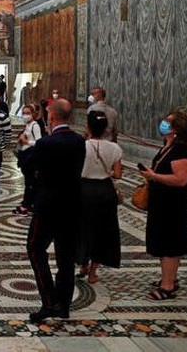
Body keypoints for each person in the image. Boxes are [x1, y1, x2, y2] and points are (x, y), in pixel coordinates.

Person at [26, 99, 85, 323]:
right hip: (72, 205)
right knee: (65, 257)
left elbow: (29, 166)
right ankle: (64, 305)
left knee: (34, 248)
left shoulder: (46, 144)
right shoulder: (79, 141)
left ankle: (49, 301)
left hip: (48, 206)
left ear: (51, 117)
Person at [139, 110, 187, 301]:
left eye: (168, 122)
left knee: (170, 245)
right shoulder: (168, 146)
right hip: (162, 203)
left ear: (176, 129)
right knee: (163, 243)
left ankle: (168, 285)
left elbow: (181, 179)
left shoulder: (179, 151)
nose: (163, 123)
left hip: (172, 206)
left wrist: (154, 176)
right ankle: (168, 277)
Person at [76, 111, 122, 285]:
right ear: (105, 129)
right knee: (102, 231)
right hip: (104, 191)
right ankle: (93, 272)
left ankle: (83, 264)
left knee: (83, 228)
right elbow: (118, 174)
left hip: (84, 190)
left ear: (88, 127)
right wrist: (106, 171)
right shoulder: (115, 148)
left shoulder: (82, 146)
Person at [13, 104, 42, 216]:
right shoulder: (27, 125)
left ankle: (26, 205)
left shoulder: (35, 126)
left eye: (28, 113)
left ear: (33, 114)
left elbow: (39, 142)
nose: (25, 115)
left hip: (31, 156)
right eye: (24, 113)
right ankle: (28, 203)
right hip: (25, 155)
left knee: (30, 182)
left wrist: (26, 142)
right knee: (28, 181)